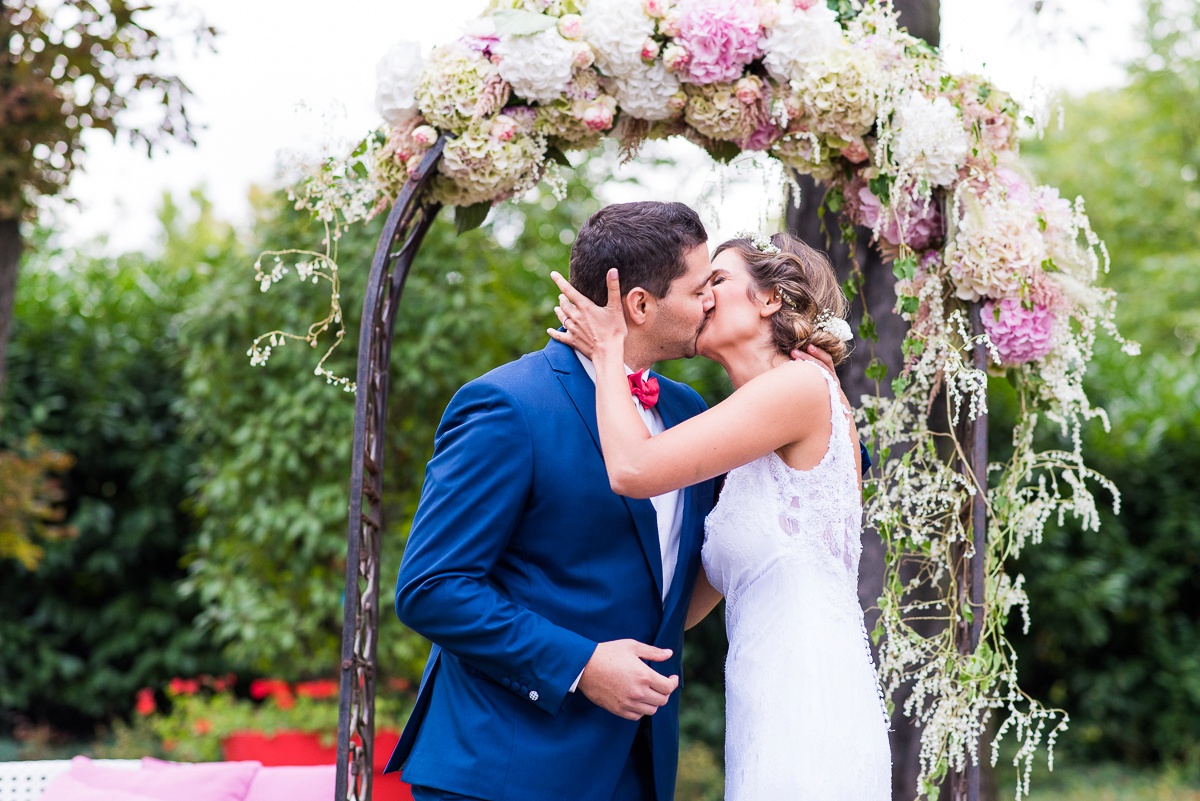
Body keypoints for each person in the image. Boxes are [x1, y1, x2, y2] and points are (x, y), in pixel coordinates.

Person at [383, 201, 727, 801]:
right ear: (641, 305)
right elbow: (430, 587)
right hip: (505, 768)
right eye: (700, 288)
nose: (712, 302)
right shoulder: (507, 407)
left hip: (637, 767)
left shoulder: (686, 411)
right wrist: (583, 664)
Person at [549, 232, 892, 800]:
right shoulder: (750, 446)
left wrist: (609, 353)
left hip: (811, 696)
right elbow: (681, 611)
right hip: (761, 702)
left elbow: (632, 468)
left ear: (770, 299)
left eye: (719, 281)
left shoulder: (803, 385)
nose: (703, 298)